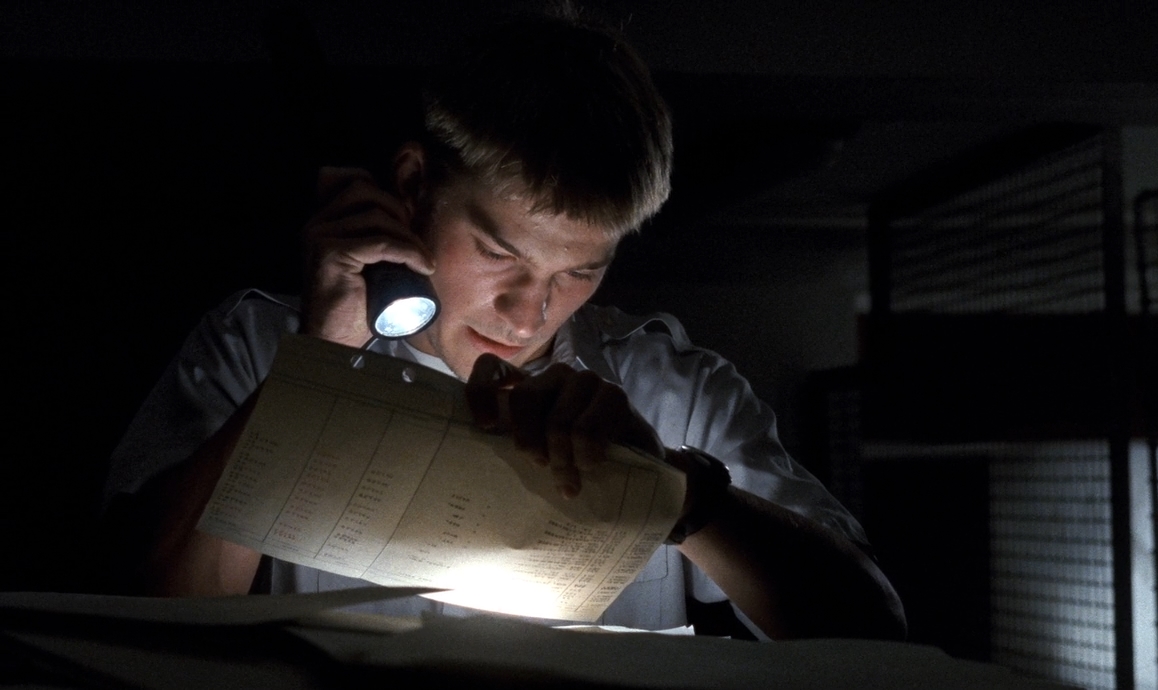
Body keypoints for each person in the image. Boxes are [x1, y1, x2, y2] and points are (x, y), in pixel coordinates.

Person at [102, 11, 906, 641]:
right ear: (413, 185)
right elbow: (149, 613)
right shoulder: (257, 349)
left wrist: (675, 493)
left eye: (578, 272)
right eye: (497, 253)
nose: (530, 314)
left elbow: (872, 632)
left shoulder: (674, 393)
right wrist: (313, 366)